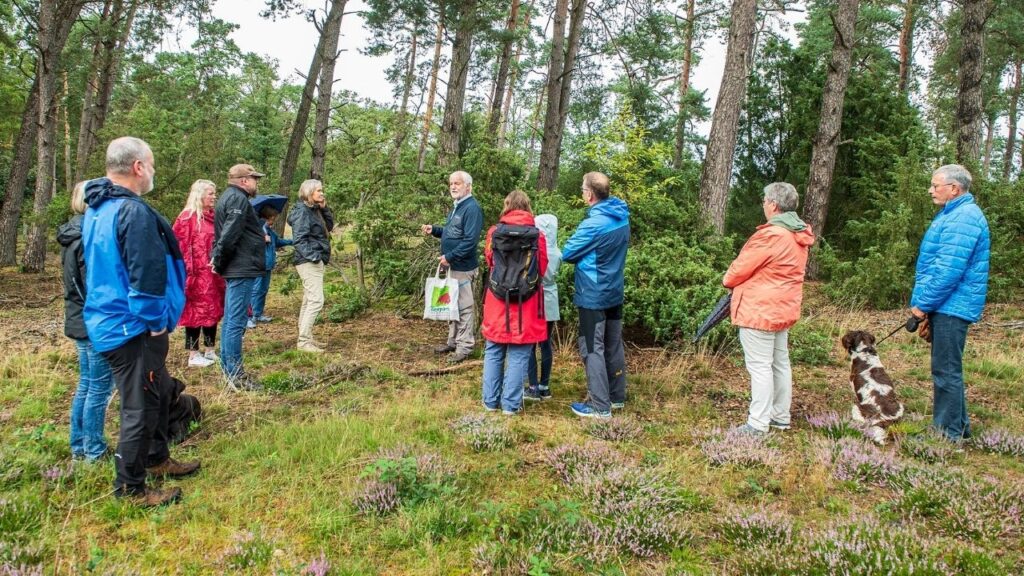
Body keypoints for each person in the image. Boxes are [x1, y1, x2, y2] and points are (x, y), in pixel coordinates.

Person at [82, 136, 200, 507]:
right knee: (139, 407)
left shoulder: (99, 207)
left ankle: (156, 457)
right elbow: (144, 274)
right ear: (137, 167)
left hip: (113, 320)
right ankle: (130, 488)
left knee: (160, 391)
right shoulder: (129, 212)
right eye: (151, 164)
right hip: (130, 327)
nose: (152, 171)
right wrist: (154, 322)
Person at [722, 182, 815, 435]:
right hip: (783, 307)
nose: (763, 204)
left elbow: (735, 273)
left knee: (760, 366)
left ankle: (758, 423)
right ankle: (779, 416)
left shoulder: (771, 234)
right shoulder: (798, 234)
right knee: (779, 363)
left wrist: (728, 279)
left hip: (759, 309)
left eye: (764, 200)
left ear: (773, 205)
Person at [910, 164, 990, 442]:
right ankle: (961, 427)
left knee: (945, 371)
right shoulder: (954, 214)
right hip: (948, 303)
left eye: (935, 185)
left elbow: (948, 270)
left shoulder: (963, 218)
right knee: (947, 368)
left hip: (952, 305)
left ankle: (946, 434)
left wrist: (923, 304)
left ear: (954, 189)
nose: (931, 190)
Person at [562, 172, 631, 419]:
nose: (582, 193)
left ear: (590, 194)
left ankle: (599, 406)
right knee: (613, 344)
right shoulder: (622, 216)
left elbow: (568, 253)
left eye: (583, 189)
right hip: (614, 289)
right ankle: (616, 397)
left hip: (593, 293)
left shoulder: (593, 224)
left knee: (592, 347)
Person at [58, 181, 114, 463]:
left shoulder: (73, 233)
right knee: (99, 387)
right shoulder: (87, 237)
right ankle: (93, 448)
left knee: (87, 384)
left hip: (78, 319)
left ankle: (79, 445)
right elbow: (92, 285)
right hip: (91, 321)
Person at [481, 191, 548, 415]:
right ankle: (510, 405)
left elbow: (489, 259)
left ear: (507, 205)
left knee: (494, 350)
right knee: (520, 353)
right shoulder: (537, 235)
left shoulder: (494, 232)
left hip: (498, 300)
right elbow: (542, 268)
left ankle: (490, 402)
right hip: (526, 302)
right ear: (528, 207)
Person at [211, 164, 266, 390]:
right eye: (254, 179)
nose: (256, 183)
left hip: (239, 266)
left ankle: (229, 370)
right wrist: (219, 260)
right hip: (240, 268)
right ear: (244, 180)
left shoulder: (232, 198)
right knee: (236, 321)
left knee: (232, 320)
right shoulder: (238, 200)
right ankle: (235, 375)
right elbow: (229, 235)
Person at [420, 171, 484, 364]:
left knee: (464, 307)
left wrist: (450, 256)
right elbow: (453, 232)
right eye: (451, 184)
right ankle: (453, 342)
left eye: (458, 183)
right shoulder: (457, 206)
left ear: (468, 186)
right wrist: (436, 230)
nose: (453, 187)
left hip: (463, 266)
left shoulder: (472, 208)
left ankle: (465, 347)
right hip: (451, 265)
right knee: (451, 304)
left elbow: (470, 241)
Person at [172, 179, 225, 368]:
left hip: (213, 273)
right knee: (194, 314)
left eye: (214, 193)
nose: (214, 196)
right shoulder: (186, 218)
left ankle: (210, 350)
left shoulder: (213, 217)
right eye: (211, 193)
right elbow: (180, 247)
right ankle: (193, 354)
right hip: (194, 275)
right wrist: (187, 276)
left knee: (213, 310)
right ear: (200, 195)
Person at [287, 179, 334, 352]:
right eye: (319, 191)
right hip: (308, 261)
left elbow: (328, 227)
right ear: (309, 192)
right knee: (316, 300)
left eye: (322, 190)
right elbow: (299, 240)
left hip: (315, 258)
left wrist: (324, 209)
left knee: (308, 300)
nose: (322, 193)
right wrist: (314, 257)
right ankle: (304, 341)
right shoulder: (302, 212)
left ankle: (307, 337)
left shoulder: (314, 210)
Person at [525, 213, 562, 401]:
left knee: (530, 343)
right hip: (551, 298)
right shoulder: (557, 252)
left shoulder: (536, 250)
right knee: (546, 343)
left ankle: (532, 387)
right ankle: (544, 385)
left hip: (535, 298)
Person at [248, 205, 293, 329]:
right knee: (255, 290)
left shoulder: (269, 230)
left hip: (268, 265)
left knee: (263, 290)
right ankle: (249, 316)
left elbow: (278, 241)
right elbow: (249, 244)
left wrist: (292, 241)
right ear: (267, 217)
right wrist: (261, 239)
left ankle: (258, 313)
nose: (274, 220)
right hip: (258, 264)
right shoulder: (256, 229)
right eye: (272, 218)